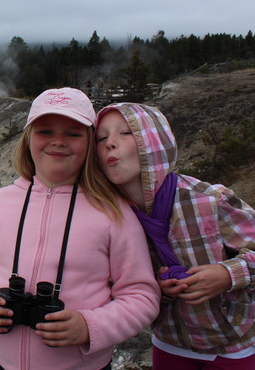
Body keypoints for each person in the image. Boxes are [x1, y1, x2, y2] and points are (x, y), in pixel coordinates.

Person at [0, 88, 160, 370]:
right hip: (0, 363)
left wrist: (90, 327)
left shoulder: (113, 212)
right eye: (45, 131)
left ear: (89, 144)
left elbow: (142, 296)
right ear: (27, 140)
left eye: (73, 134)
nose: (58, 142)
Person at [95, 102, 255, 369]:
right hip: (171, 342)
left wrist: (228, 275)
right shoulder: (112, 218)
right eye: (101, 138)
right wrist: (157, 288)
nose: (110, 143)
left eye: (125, 133)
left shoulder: (210, 200)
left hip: (233, 343)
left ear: (154, 142)